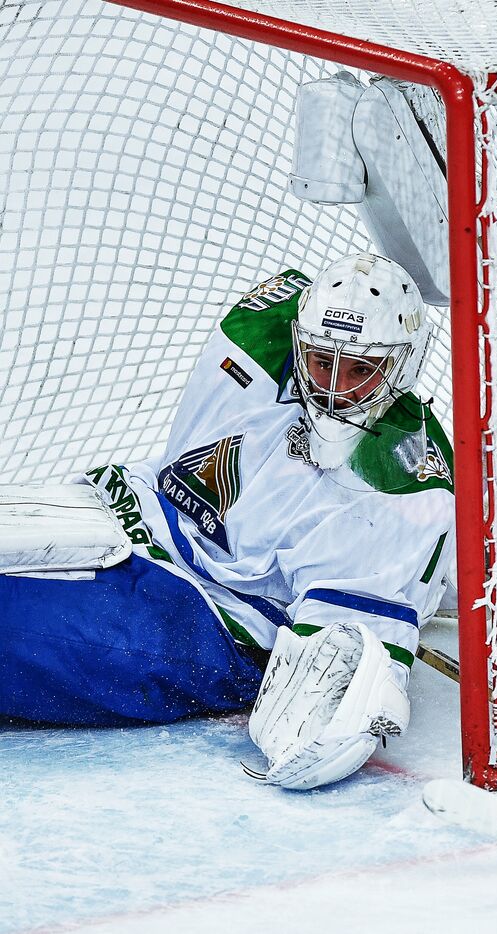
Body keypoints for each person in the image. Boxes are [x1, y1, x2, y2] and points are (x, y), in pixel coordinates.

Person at [0, 252, 456, 791]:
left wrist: (336, 712)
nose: (335, 386)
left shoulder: (399, 474)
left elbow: (352, 637)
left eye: (361, 369)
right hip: (130, 516)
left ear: (400, 366)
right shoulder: (264, 331)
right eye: (322, 361)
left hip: (211, 618)